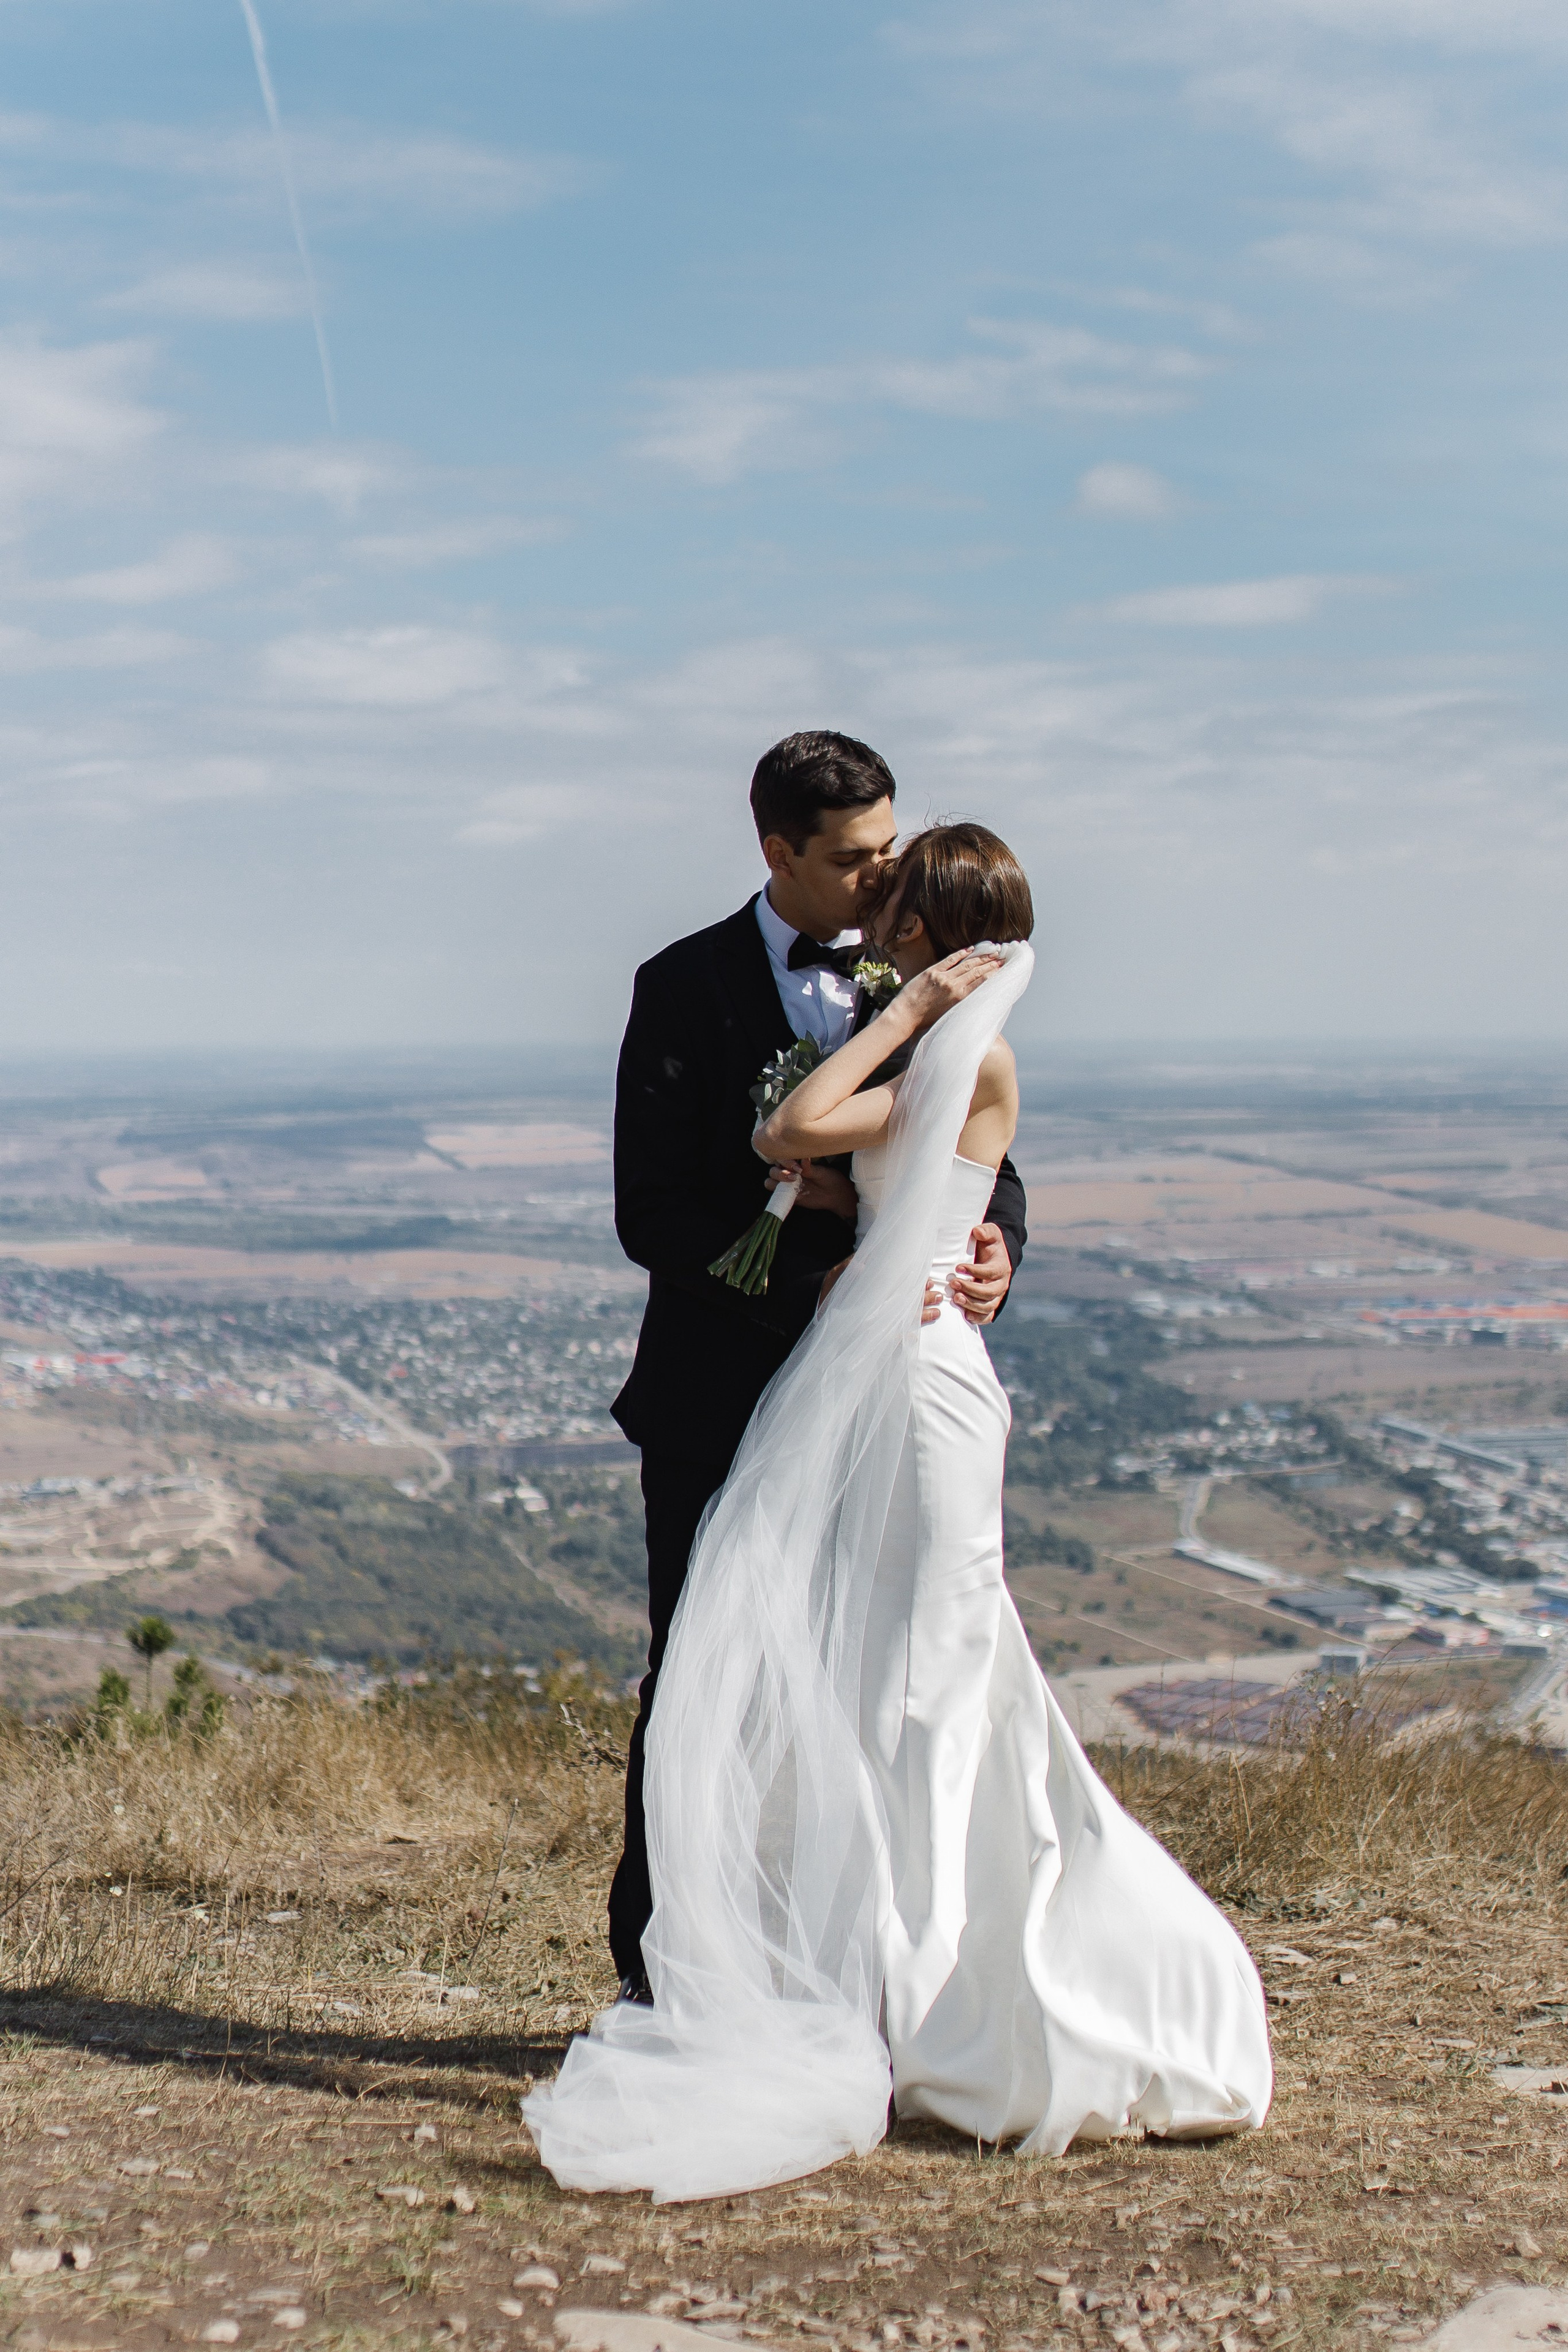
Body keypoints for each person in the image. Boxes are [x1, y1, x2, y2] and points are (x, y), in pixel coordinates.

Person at [524, 822, 1272, 2201]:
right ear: (780, 846)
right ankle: (788, 1967)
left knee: (934, 1681)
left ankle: (942, 1996)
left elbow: (810, 1126)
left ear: (941, 938)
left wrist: (977, 1221)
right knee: (829, 1675)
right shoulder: (716, 990)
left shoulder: (954, 1046)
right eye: (864, 873)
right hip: (815, 1381)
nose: (881, 916)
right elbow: (762, 1166)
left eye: (903, 899)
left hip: (921, 1388)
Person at [605, 732, 1028, 1999]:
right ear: (775, 851)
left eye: (887, 850)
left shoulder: (923, 976)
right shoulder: (678, 986)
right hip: (718, 1399)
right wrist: (818, 1265)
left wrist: (994, 1242)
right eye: (850, 859)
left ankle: (845, 1964)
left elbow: (980, 1156)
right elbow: (654, 1212)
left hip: (887, 1401)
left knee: (870, 1678)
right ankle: (663, 1967)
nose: (878, 879)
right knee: (700, 1678)